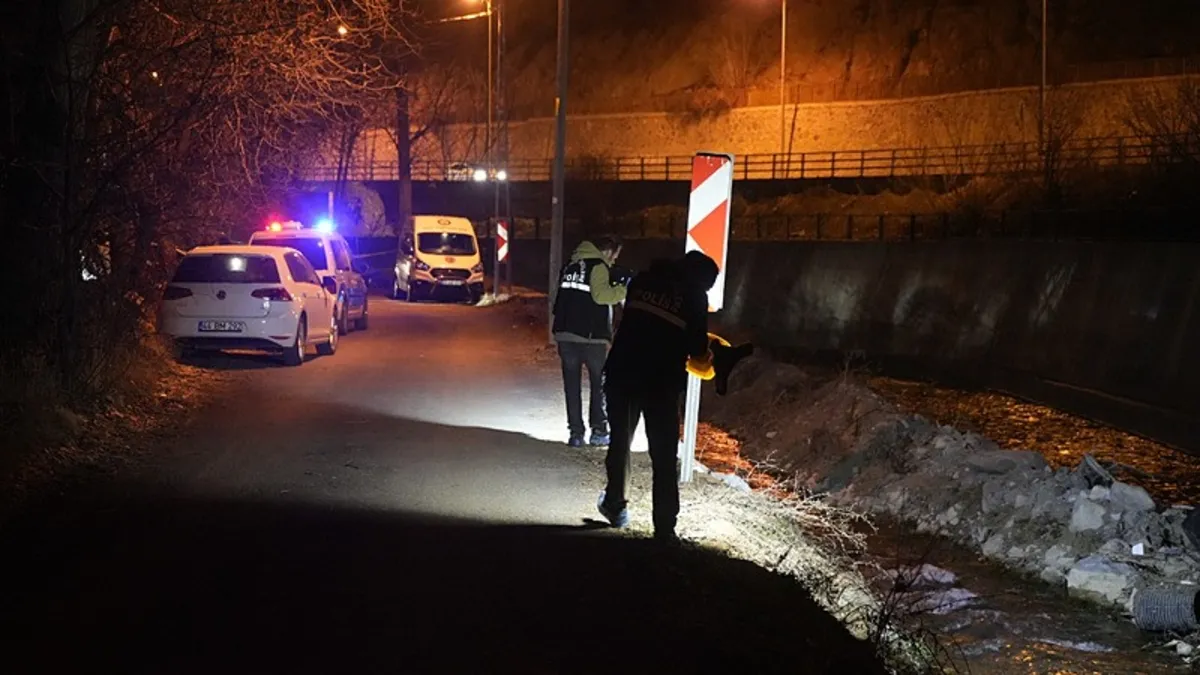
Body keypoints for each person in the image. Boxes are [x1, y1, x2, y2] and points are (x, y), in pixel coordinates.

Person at [597, 250, 719, 541]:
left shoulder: (642, 281)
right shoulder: (694, 297)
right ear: (701, 281)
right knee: (664, 456)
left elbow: (631, 321)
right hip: (661, 382)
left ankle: (615, 506)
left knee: (620, 443)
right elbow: (697, 348)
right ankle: (664, 527)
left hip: (623, 372)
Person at [551, 235, 628, 448]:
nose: (614, 260)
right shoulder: (599, 267)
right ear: (608, 251)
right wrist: (624, 290)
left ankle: (576, 434)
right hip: (591, 337)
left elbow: (558, 298)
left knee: (572, 386)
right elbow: (601, 296)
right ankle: (599, 431)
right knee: (599, 384)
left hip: (565, 334)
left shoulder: (570, 265)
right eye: (615, 255)